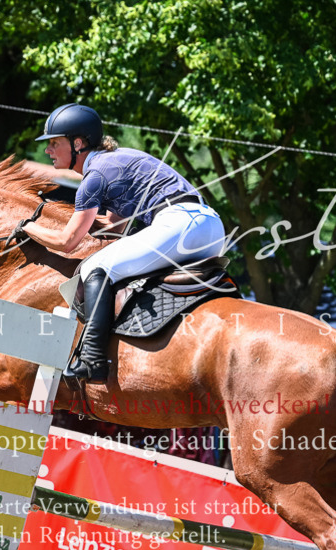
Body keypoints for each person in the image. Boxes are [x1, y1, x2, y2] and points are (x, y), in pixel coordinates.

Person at [20, 103, 226, 382]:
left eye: (54, 143)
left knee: (96, 268)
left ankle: (92, 359)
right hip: (209, 227)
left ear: (78, 143)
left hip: (180, 225)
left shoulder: (94, 176)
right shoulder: (116, 160)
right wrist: (81, 221)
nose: (48, 150)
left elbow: (68, 242)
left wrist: (28, 226)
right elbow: (116, 228)